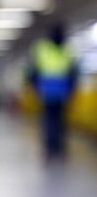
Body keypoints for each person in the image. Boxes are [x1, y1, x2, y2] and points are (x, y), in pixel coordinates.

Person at [27, 24, 78, 160]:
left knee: (50, 122)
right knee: (59, 121)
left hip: (48, 92)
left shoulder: (43, 49)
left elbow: (33, 72)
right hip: (60, 92)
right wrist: (72, 90)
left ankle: (51, 149)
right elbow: (74, 74)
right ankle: (57, 149)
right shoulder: (67, 50)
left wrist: (35, 88)